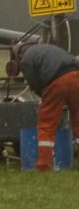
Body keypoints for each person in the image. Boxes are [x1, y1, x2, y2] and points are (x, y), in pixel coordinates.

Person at [18, 43, 79, 171]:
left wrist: (44, 97)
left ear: (20, 54)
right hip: (76, 76)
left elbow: (34, 82)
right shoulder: (49, 48)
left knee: (47, 124)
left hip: (57, 81)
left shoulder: (26, 59)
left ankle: (44, 165)